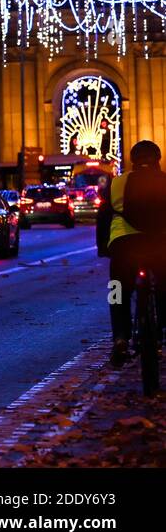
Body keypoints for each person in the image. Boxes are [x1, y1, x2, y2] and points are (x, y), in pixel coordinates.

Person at [97, 140, 166, 367]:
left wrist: (103, 248)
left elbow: (104, 216)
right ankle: (162, 331)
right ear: (157, 160)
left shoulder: (117, 183)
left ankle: (120, 337)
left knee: (116, 290)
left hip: (124, 245)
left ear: (133, 161)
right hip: (159, 245)